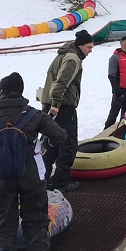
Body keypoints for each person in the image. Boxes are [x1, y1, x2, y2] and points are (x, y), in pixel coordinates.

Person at [0, 72, 66, 251]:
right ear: (20, 92)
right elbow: (61, 136)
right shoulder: (35, 115)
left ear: (1, 92)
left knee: (3, 226)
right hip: (32, 176)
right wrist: (42, 147)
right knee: (35, 222)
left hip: (2, 177)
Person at [40, 29, 94, 193]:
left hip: (50, 103)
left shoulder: (63, 55)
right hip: (62, 107)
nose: (90, 51)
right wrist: (56, 104)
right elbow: (60, 82)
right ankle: (61, 181)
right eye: (89, 47)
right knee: (68, 144)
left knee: (51, 143)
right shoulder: (73, 58)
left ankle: (43, 178)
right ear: (80, 45)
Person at [104, 36, 126, 129]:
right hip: (119, 91)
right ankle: (106, 133)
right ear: (125, 45)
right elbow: (111, 75)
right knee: (113, 114)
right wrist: (116, 90)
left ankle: (123, 132)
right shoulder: (115, 58)